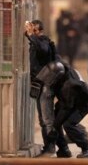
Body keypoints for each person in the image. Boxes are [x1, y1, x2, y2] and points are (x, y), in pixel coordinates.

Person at [24, 20, 64, 155]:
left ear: (37, 31)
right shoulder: (38, 40)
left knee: (47, 120)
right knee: (45, 119)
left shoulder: (44, 41)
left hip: (45, 85)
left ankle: (50, 147)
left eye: (32, 30)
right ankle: (62, 148)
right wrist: (29, 34)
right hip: (40, 84)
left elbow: (42, 49)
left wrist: (31, 35)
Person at [53, 63, 88, 158]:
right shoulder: (65, 70)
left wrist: (55, 124)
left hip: (83, 104)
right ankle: (64, 149)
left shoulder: (69, 85)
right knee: (55, 121)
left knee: (68, 124)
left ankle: (87, 149)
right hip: (72, 99)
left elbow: (66, 108)